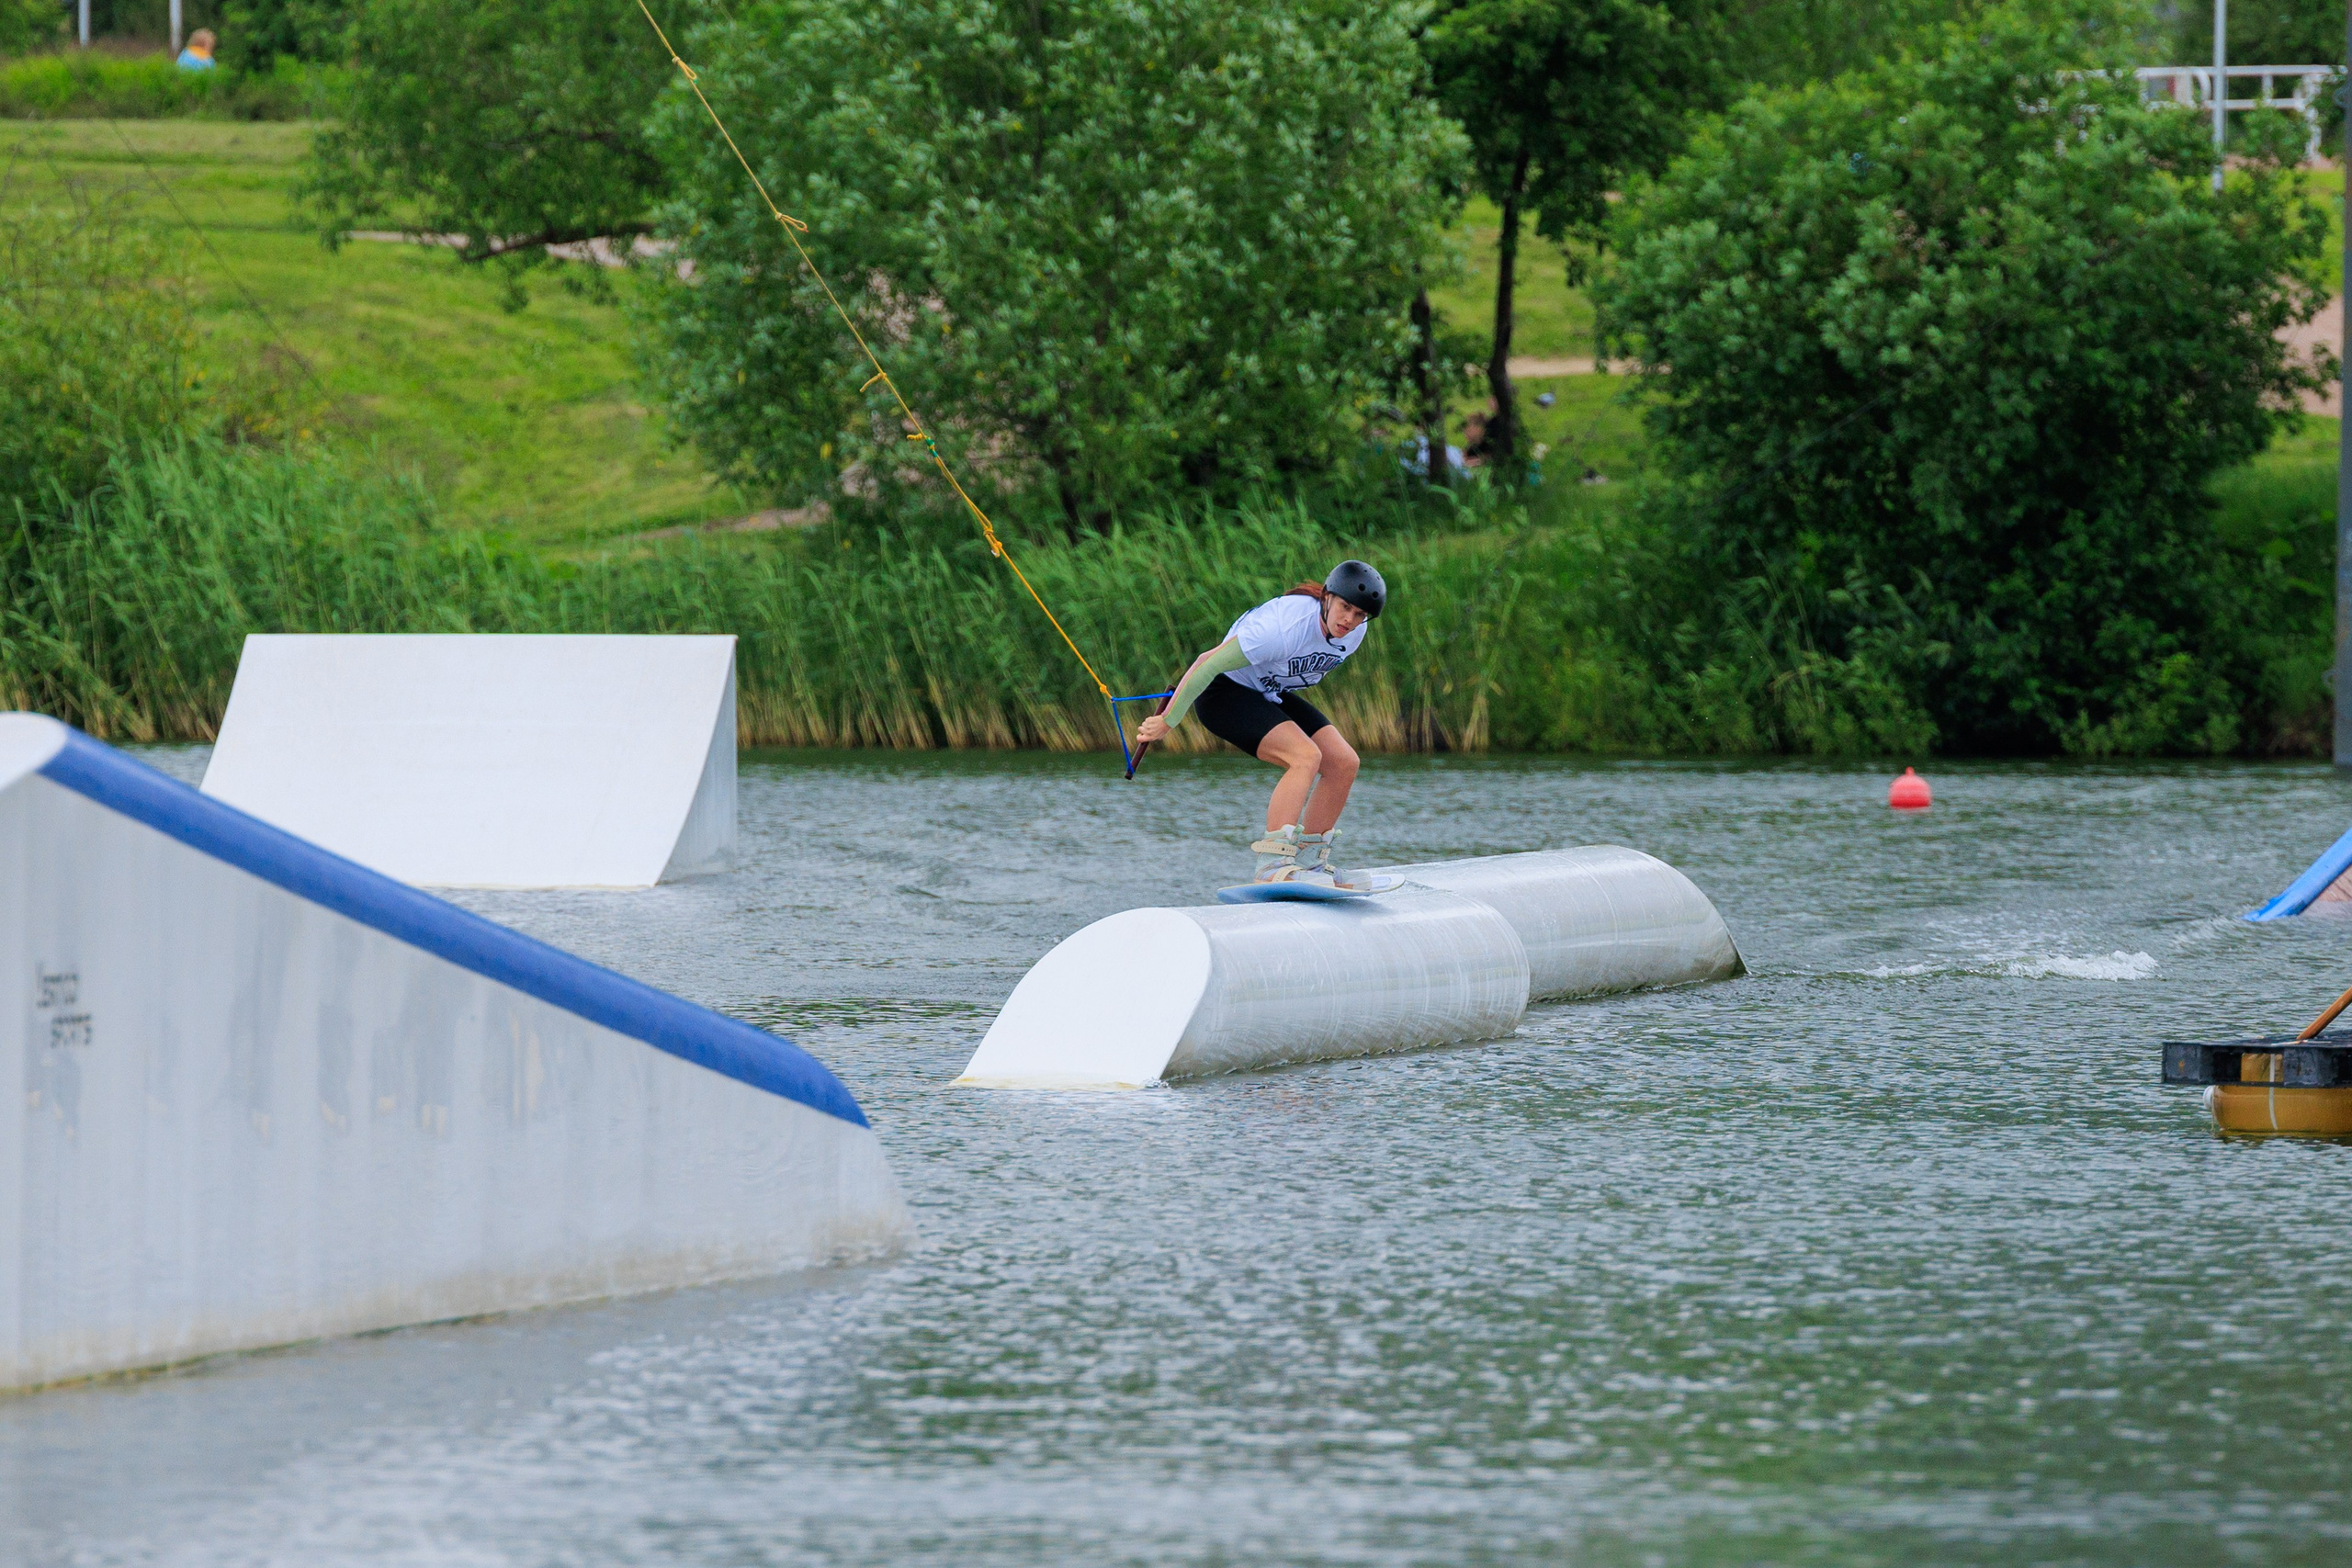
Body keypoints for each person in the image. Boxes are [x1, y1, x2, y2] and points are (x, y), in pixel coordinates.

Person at [1135, 560, 1386, 888]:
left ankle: (1309, 863)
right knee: (1305, 756)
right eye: (1345, 607)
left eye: (1359, 614)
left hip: (1267, 692)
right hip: (1222, 693)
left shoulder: (1355, 633)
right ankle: (1271, 865)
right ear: (1327, 597)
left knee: (1343, 762)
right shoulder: (1281, 628)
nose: (1349, 620)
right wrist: (1168, 720)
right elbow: (1206, 663)